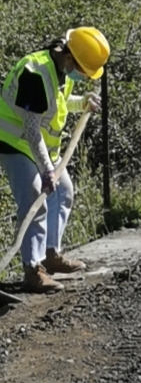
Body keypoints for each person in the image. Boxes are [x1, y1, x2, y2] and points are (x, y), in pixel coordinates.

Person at [0, 27, 109, 293]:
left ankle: (51, 254)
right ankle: (33, 269)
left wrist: (81, 102)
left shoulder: (60, 71)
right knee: (35, 195)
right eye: (84, 72)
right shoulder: (35, 74)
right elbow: (31, 129)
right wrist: (48, 170)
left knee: (63, 191)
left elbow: (57, 103)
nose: (83, 77)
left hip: (41, 147)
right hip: (14, 143)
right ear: (70, 59)